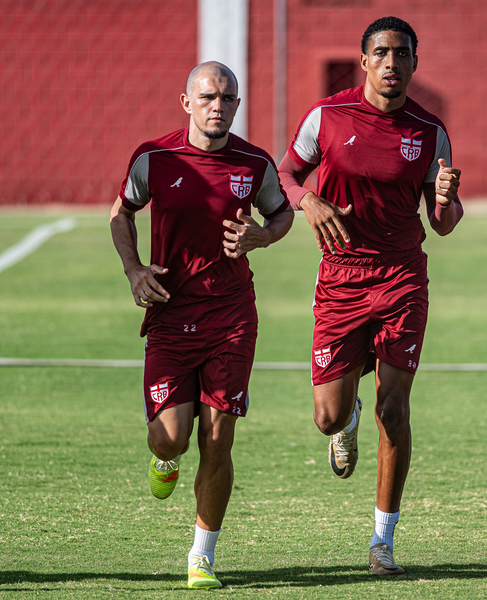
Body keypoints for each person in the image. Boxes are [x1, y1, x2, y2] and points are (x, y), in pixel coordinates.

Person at [277, 16, 463, 575]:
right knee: (327, 418)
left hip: (403, 279)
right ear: (364, 61)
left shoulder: (430, 132)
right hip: (340, 279)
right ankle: (345, 418)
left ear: (413, 63)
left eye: (401, 53)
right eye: (381, 52)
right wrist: (308, 201)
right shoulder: (326, 117)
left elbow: (444, 221)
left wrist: (448, 198)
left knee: (396, 408)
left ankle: (382, 539)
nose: (391, 62)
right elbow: (284, 174)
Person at [109, 61, 293, 589]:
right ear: (187, 102)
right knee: (169, 439)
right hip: (170, 312)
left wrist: (262, 236)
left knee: (219, 438)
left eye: (228, 98)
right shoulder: (154, 157)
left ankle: (201, 556)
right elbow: (121, 213)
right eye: (209, 96)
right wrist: (134, 269)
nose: (219, 106)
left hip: (232, 314)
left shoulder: (254, 164)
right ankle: (165, 461)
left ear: (237, 105)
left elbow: (281, 215)